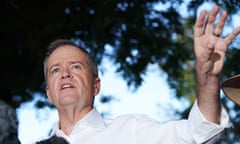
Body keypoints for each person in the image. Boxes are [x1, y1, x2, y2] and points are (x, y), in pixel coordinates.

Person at [40, 5, 240, 144]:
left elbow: (199, 134)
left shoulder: (131, 130)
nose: (65, 74)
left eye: (75, 67)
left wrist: (208, 78)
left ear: (96, 85)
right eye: (55, 70)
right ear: (48, 93)